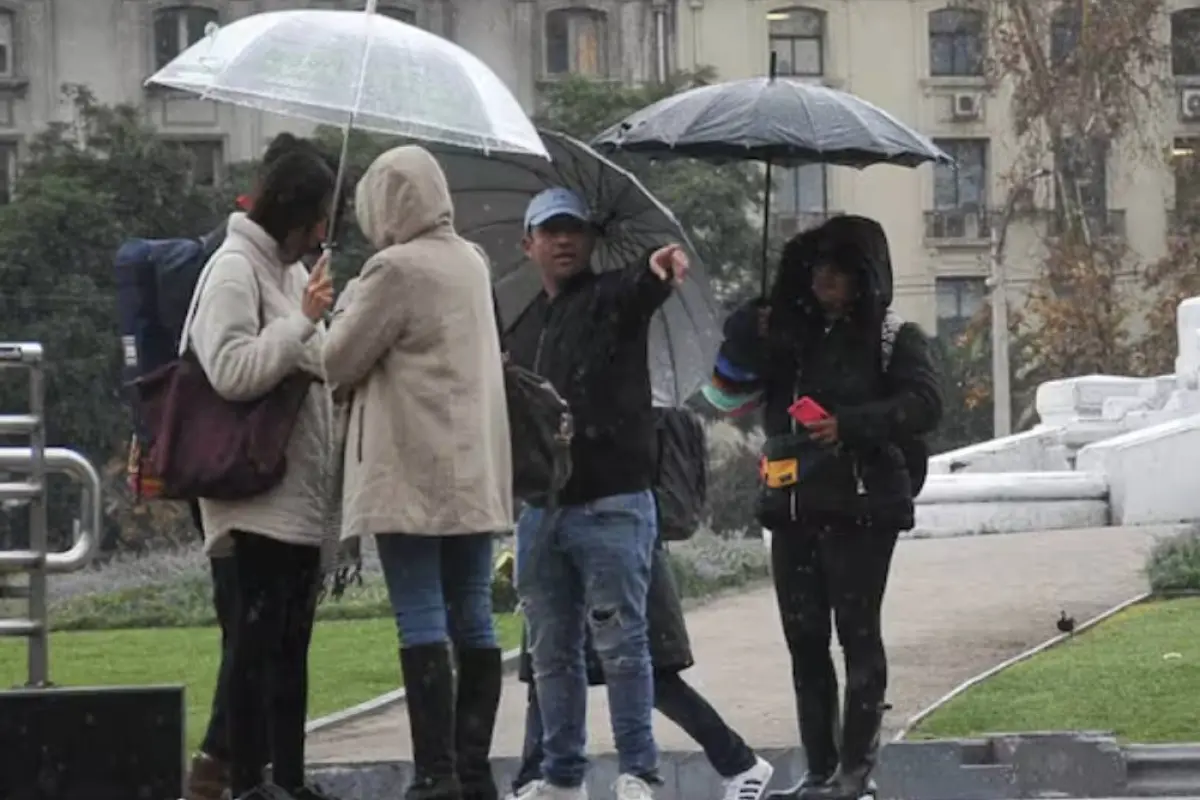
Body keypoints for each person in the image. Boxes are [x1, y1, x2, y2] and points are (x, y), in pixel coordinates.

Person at [703, 216, 942, 800]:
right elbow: (723, 394)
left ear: (864, 276)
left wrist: (853, 425)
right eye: (816, 267)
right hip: (793, 507)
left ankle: (855, 770)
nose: (825, 278)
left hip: (862, 506)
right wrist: (747, 329)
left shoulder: (893, 336)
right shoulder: (788, 336)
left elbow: (925, 404)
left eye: (839, 268)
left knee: (857, 635)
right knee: (803, 639)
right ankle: (820, 768)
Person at [322, 145, 512, 800]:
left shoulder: (393, 269)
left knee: (420, 614)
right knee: (474, 614)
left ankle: (433, 775)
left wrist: (339, 305)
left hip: (411, 466)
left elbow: (337, 361)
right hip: (473, 468)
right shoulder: (472, 261)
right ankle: (471, 768)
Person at [502, 187, 689, 800]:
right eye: (550, 231)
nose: (564, 241)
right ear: (528, 243)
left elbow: (642, 288)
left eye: (574, 230)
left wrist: (657, 271)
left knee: (622, 643)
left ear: (590, 240)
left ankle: (638, 771)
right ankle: (562, 776)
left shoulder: (612, 296)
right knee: (551, 650)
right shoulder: (525, 325)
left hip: (612, 501)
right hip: (542, 509)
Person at [185, 132, 338, 800]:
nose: (323, 232)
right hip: (250, 498)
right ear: (296, 217)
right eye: (318, 218)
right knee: (252, 654)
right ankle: (240, 779)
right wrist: (300, 326)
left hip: (298, 498)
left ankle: (288, 780)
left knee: (288, 653)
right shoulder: (232, 270)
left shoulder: (293, 274)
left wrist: (320, 320)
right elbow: (230, 370)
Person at [508, 543, 775, 800]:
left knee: (651, 677)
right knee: (548, 670)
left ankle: (740, 764)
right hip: (566, 553)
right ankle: (539, 779)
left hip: (622, 549)